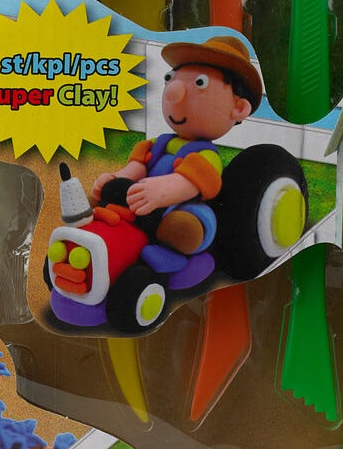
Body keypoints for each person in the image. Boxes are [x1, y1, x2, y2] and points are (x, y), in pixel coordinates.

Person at [92, 34, 262, 273]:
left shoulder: (207, 156)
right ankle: (122, 237)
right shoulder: (157, 143)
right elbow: (137, 167)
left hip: (178, 206)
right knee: (111, 192)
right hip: (144, 205)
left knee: (186, 226)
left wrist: (162, 191)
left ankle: (178, 258)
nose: (174, 91)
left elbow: (189, 182)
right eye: (170, 79)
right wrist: (117, 178)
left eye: (200, 83)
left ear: (239, 107)